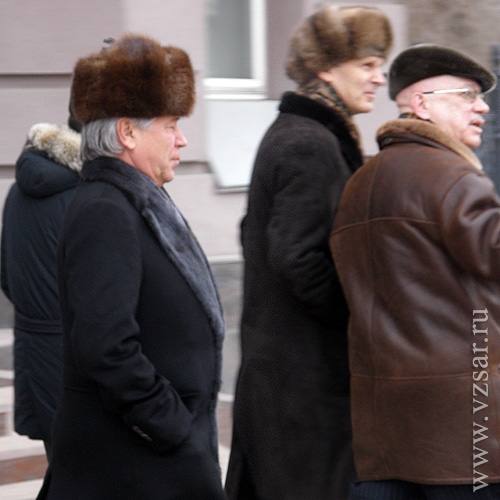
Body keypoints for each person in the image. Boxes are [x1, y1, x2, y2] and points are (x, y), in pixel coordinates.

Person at [35, 34, 226, 500]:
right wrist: (172, 427)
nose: (181, 139)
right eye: (171, 125)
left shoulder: (139, 201)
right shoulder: (106, 209)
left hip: (153, 462)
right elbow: (106, 346)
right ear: (127, 132)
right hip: (132, 467)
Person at [225, 6, 393, 500]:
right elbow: (297, 257)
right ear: (326, 67)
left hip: (288, 383)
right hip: (303, 390)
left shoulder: (302, 132)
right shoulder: (310, 142)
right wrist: (359, 315)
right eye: (367, 65)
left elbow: (258, 233)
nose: (379, 78)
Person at [330, 44, 500, 499]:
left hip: (384, 434)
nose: (482, 107)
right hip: (464, 436)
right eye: (466, 95)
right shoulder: (454, 177)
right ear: (422, 104)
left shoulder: (361, 182)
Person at [1, 118, 82, 460]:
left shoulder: (15, 193)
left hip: (32, 345)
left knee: (57, 458)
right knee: (85, 464)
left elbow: (6, 273)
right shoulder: (83, 195)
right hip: (73, 351)